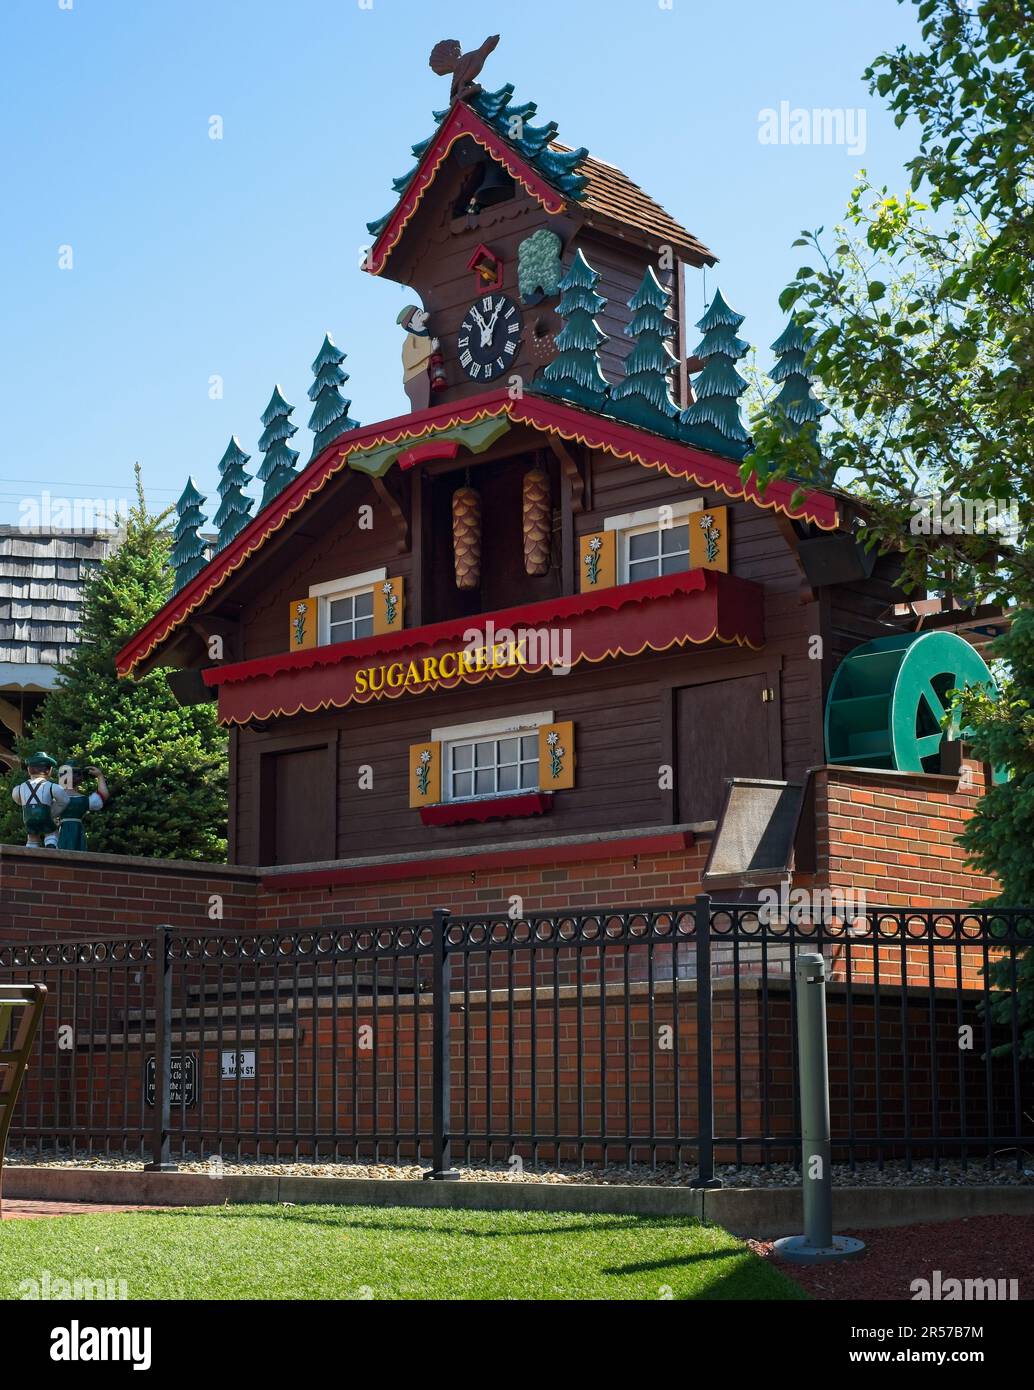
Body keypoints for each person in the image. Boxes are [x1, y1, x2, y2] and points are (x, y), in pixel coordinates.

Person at [11, 752, 68, 848]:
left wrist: (26, 805)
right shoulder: (51, 786)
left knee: (32, 836)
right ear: (49, 770)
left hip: (28, 818)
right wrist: (52, 812)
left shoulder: (19, 788)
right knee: (51, 832)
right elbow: (64, 801)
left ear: (29, 770)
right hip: (45, 816)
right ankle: (51, 845)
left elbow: (17, 799)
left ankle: (30, 851)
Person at [55, 763, 109, 852]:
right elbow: (103, 795)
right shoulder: (84, 800)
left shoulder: (57, 799)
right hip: (78, 830)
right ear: (80, 779)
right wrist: (100, 776)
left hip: (63, 830)